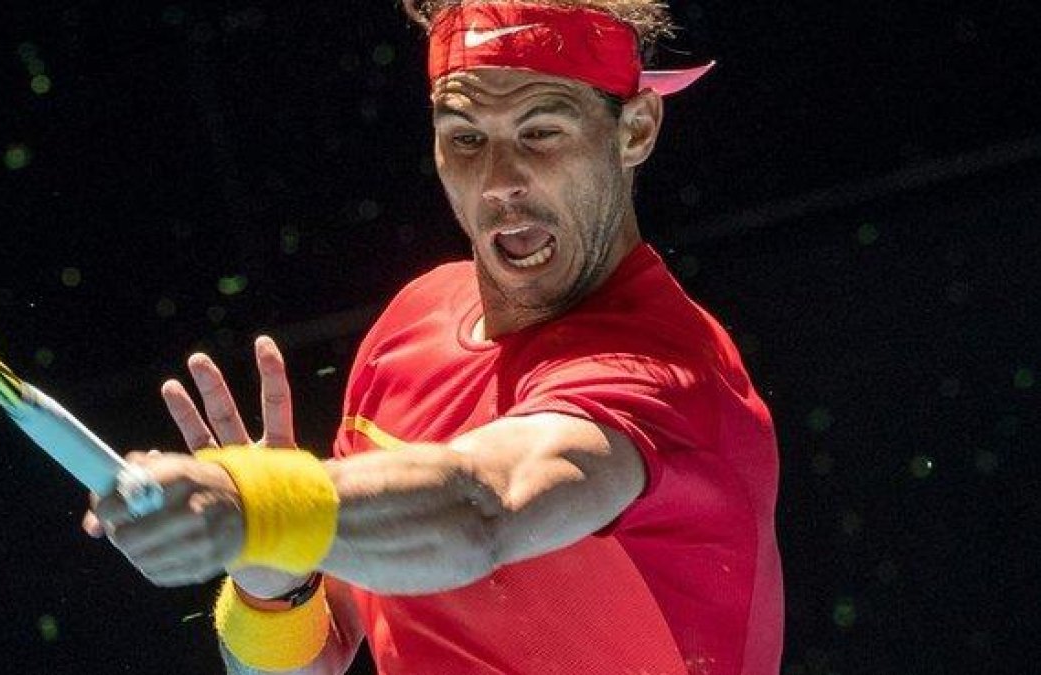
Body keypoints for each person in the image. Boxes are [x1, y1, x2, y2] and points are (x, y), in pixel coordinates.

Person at [83, 1, 783, 673]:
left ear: (634, 130)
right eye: (466, 137)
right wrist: (274, 582)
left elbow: (484, 505)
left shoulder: (666, 373)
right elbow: (312, 655)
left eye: (540, 132)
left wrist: (261, 504)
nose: (499, 182)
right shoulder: (411, 325)